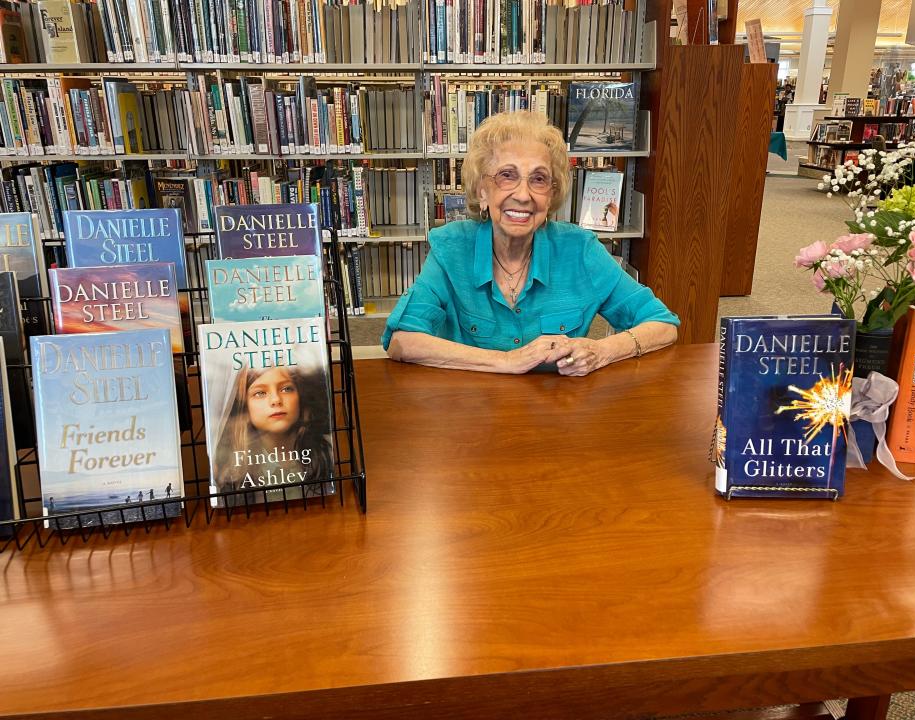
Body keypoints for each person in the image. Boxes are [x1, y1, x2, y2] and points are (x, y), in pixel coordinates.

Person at [383, 111, 679, 376]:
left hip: (557, 418)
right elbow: (402, 341)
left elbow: (663, 325)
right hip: (472, 416)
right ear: (481, 191)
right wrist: (507, 361)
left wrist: (601, 351)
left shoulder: (580, 250)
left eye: (538, 179)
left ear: (551, 196)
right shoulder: (451, 248)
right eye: (506, 176)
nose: (523, 195)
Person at [213, 366, 334, 500]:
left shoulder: (327, 453)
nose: (276, 400)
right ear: (245, 406)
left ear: (300, 396)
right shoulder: (231, 472)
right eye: (260, 393)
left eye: (286, 389)